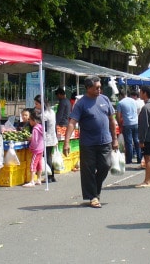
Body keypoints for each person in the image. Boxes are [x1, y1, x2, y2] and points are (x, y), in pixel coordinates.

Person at [62, 76, 119, 208]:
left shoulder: (105, 99)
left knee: (106, 165)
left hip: (105, 141)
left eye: (100, 87)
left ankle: (94, 190)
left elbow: (112, 120)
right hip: (88, 143)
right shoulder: (81, 104)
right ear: (88, 88)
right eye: (96, 88)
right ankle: (93, 196)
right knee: (88, 171)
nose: (99, 89)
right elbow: (72, 123)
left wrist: (115, 139)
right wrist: (66, 142)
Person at [34, 95, 59, 183]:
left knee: (46, 157)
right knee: (49, 156)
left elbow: (43, 128)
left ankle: (49, 176)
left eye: (37, 104)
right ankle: (51, 176)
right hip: (52, 137)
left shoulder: (44, 115)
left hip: (46, 138)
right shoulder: (51, 111)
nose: (35, 105)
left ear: (41, 104)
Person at [116, 89, 140, 164]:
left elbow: (118, 115)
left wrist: (119, 124)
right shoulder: (133, 101)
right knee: (136, 141)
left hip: (127, 124)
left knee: (128, 142)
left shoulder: (120, 103)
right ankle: (139, 158)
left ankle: (129, 160)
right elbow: (137, 110)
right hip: (136, 123)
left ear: (120, 95)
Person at [23, 112, 44, 187]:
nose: (29, 122)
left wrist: (31, 146)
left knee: (33, 164)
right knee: (39, 164)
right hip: (41, 148)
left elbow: (34, 141)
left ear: (34, 120)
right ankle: (39, 179)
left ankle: (32, 181)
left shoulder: (35, 129)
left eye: (30, 120)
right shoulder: (41, 127)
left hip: (36, 149)